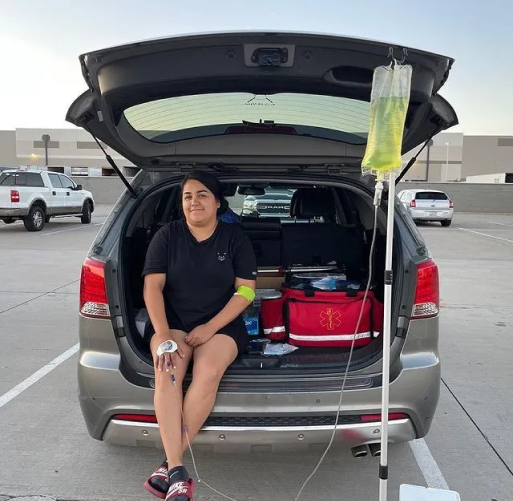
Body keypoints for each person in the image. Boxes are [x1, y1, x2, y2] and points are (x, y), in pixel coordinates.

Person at [141, 171, 257, 501]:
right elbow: (153, 287)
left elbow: (247, 292)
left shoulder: (235, 238)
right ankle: (178, 470)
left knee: (207, 373)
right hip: (172, 321)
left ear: (219, 203)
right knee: (168, 369)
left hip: (221, 323)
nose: (195, 201)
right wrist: (163, 334)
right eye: (188, 196)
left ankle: (168, 465)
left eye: (203, 194)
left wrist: (211, 327)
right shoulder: (167, 236)